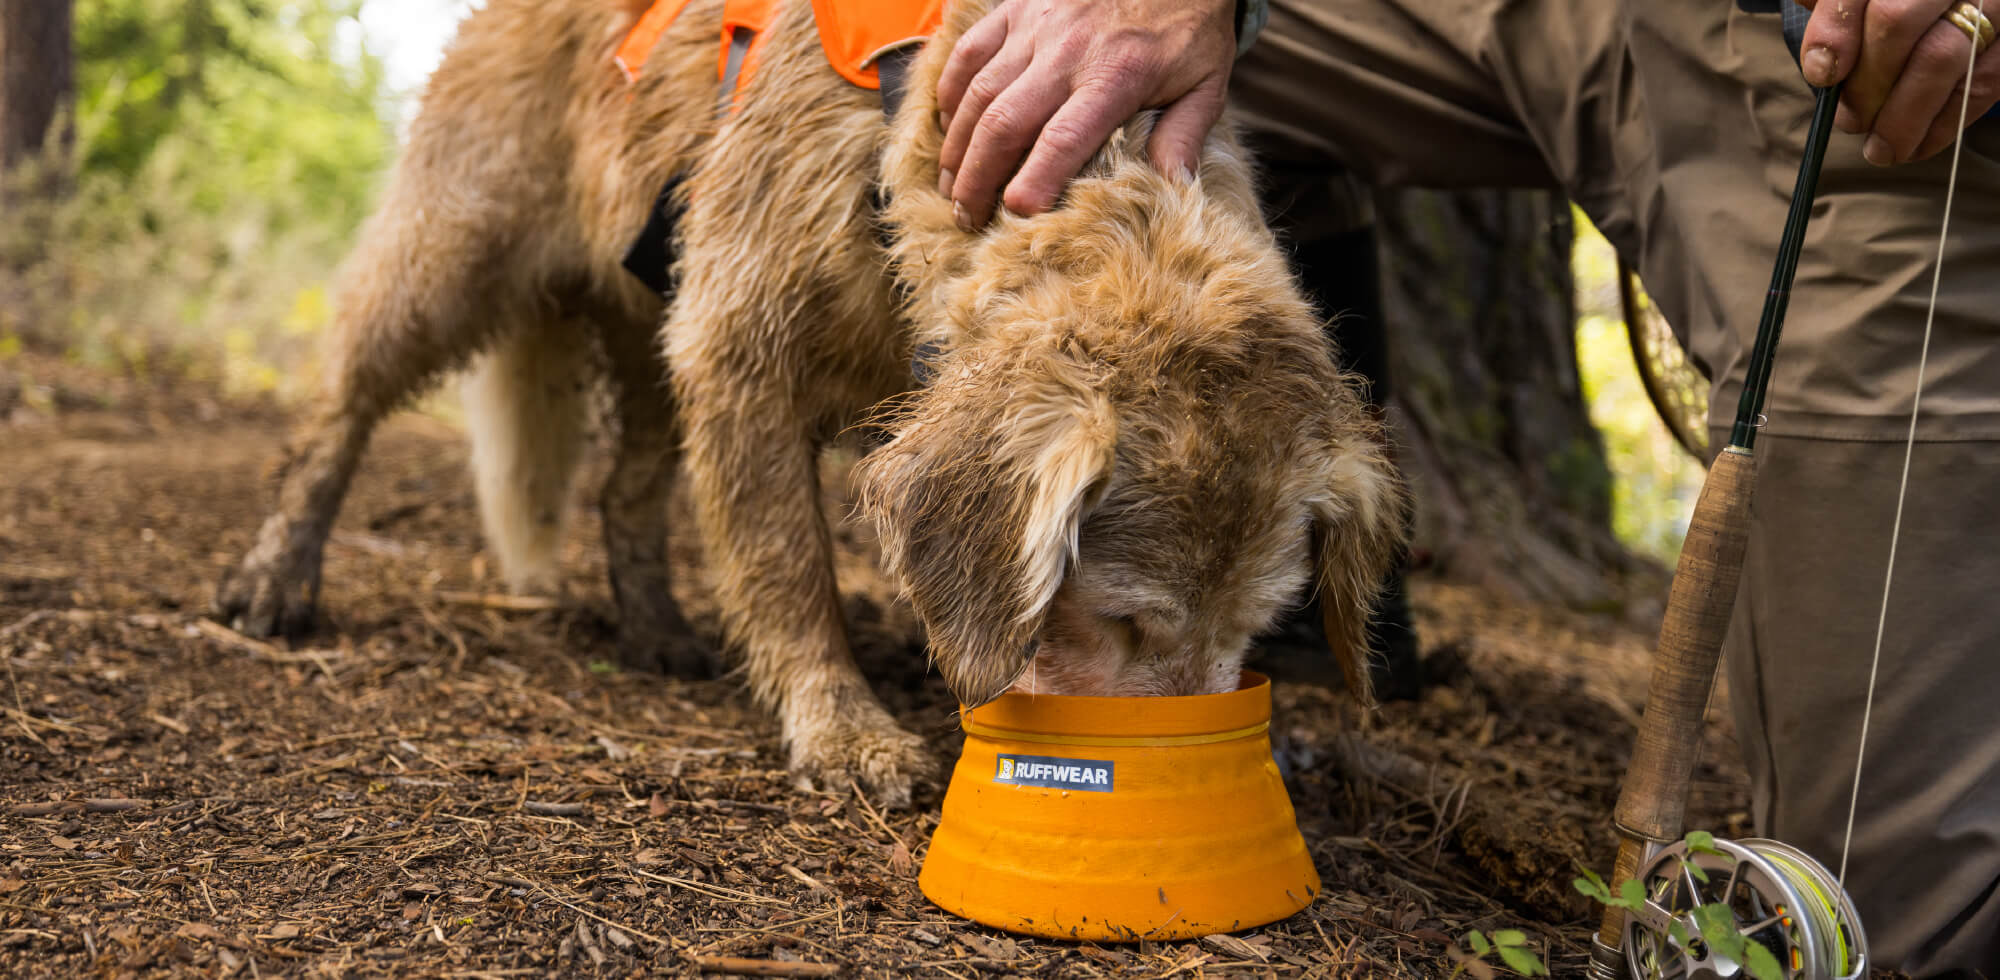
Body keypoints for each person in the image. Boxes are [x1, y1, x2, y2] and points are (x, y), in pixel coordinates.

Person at [934, 0, 2000, 975]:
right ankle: (1280, 596)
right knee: (1008, 48)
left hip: (1841, 67)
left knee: (1889, 923)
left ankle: (1299, 592)